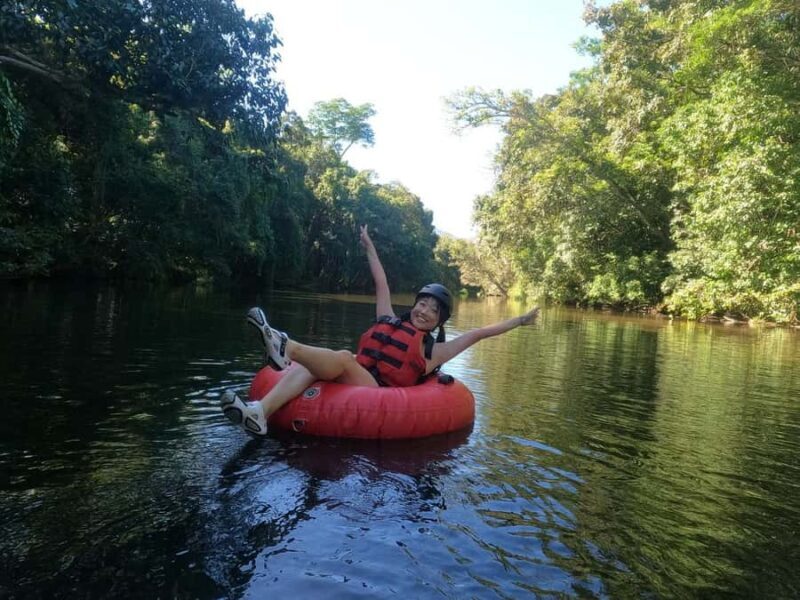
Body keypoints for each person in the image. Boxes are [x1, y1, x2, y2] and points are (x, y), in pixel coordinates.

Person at [222, 225, 539, 435]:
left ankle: (285, 347)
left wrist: (521, 320)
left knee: (344, 357)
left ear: (439, 321)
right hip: (357, 375)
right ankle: (259, 411)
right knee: (321, 363)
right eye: (422, 304)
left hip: (378, 392)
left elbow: (479, 332)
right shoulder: (388, 318)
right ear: (414, 304)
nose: (425, 311)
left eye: (433, 310)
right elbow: (381, 282)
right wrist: (369, 246)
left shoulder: (433, 350)